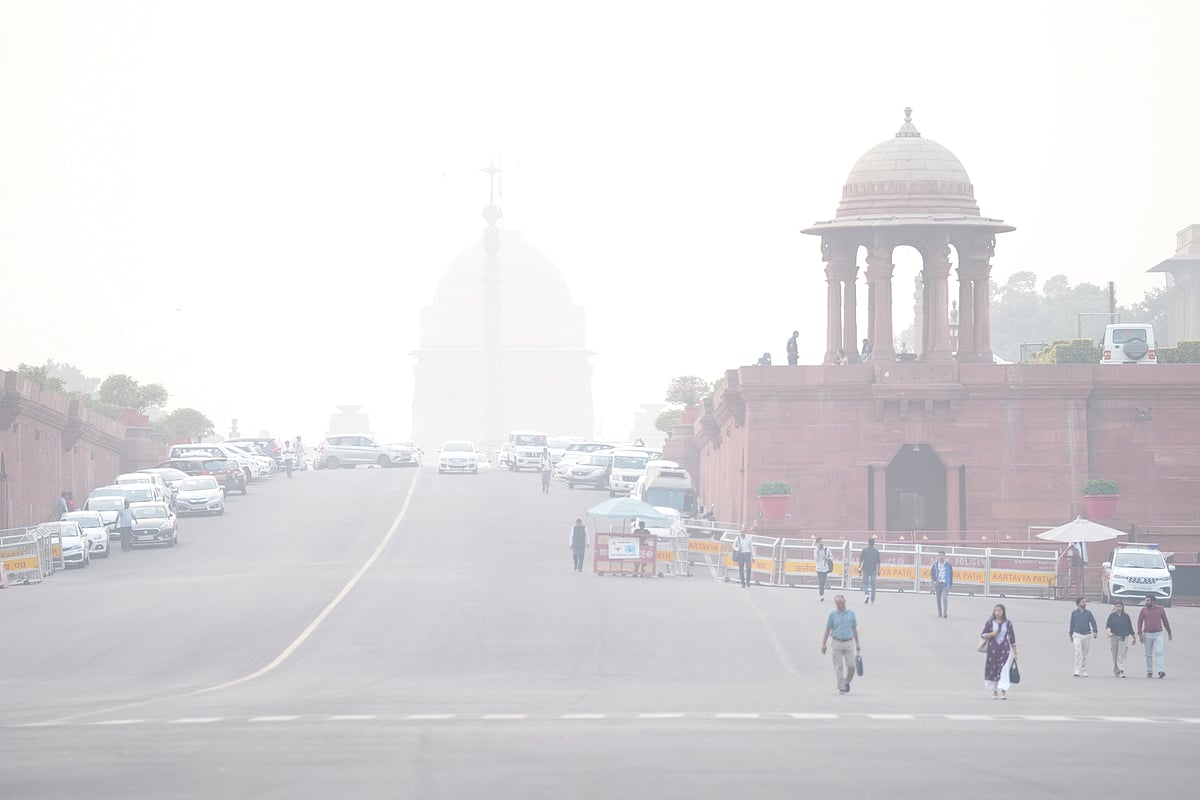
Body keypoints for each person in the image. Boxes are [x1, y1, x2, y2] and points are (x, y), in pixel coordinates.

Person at [820, 594, 861, 695]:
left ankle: (847, 681)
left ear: (845, 602)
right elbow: (827, 629)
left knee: (851, 666)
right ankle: (841, 686)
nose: (840, 605)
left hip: (848, 642)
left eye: (841, 603)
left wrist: (858, 644)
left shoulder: (851, 614)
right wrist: (823, 643)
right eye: (837, 604)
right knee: (838, 666)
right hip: (836, 642)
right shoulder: (832, 615)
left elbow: (854, 629)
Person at [981, 604, 1018, 699]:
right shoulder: (990, 623)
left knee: (1004, 670)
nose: (997, 613)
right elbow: (983, 635)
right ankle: (994, 691)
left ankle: (1003, 691)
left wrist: (1015, 652)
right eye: (996, 610)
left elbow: (1012, 639)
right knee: (993, 669)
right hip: (993, 649)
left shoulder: (1008, 623)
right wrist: (992, 634)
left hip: (1004, 649)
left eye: (999, 611)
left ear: (1003, 612)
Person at [1137, 595, 1173, 678]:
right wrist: (1140, 634)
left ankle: (1161, 671)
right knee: (1148, 654)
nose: (1146, 602)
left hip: (1158, 633)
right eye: (1145, 601)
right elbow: (1139, 622)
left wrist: (1169, 632)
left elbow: (1165, 621)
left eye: (1148, 601)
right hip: (1147, 634)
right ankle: (1149, 670)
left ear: (1153, 601)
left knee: (1159, 652)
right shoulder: (1143, 610)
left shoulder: (1160, 609)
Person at [1069, 597, 1099, 677]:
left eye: (1085, 602)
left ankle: (1084, 669)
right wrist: (1070, 634)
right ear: (1078, 603)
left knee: (1084, 654)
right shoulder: (1074, 613)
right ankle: (1077, 670)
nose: (1084, 603)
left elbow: (1093, 622)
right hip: (1077, 634)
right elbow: (1071, 624)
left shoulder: (1088, 613)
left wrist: (1095, 631)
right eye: (1082, 602)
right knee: (1078, 652)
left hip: (1086, 634)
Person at [1105, 600, 1135, 678]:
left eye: (1120, 606)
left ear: (1122, 607)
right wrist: (1108, 632)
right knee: (1114, 654)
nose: (1118, 608)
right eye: (1117, 606)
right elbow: (1108, 626)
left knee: (1120, 654)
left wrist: (1134, 637)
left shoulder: (1126, 616)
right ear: (1114, 607)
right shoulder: (1112, 616)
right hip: (1114, 636)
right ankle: (1116, 671)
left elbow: (1130, 627)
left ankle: (1122, 670)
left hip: (1123, 636)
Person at [931, 550, 953, 618]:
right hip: (938, 584)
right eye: (939, 555)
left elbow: (951, 575)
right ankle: (940, 613)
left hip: (945, 584)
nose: (941, 557)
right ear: (938, 557)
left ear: (944, 556)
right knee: (938, 599)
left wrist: (950, 585)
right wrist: (934, 580)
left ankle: (945, 613)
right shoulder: (935, 565)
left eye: (942, 555)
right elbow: (932, 573)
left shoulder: (948, 565)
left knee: (944, 598)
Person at [859, 538, 880, 604]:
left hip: (865, 569)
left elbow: (861, 560)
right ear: (874, 543)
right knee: (873, 585)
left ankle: (866, 594)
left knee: (865, 583)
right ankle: (873, 600)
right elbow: (878, 562)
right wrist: (878, 570)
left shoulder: (864, 550)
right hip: (873, 569)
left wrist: (859, 568)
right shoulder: (876, 551)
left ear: (868, 543)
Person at [814, 537, 833, 601]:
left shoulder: (826, 549)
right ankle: (821, 595)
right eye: (820, 542)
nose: (821, 543)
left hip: (825, 568)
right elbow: (816, 559)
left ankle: (822, 593)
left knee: (823, 582)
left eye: (822, 542)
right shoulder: (816, 550)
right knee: (821, 582)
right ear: (817, 543)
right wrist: (818, 552)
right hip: (819, 568)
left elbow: (831, 557)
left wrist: (827, 558)